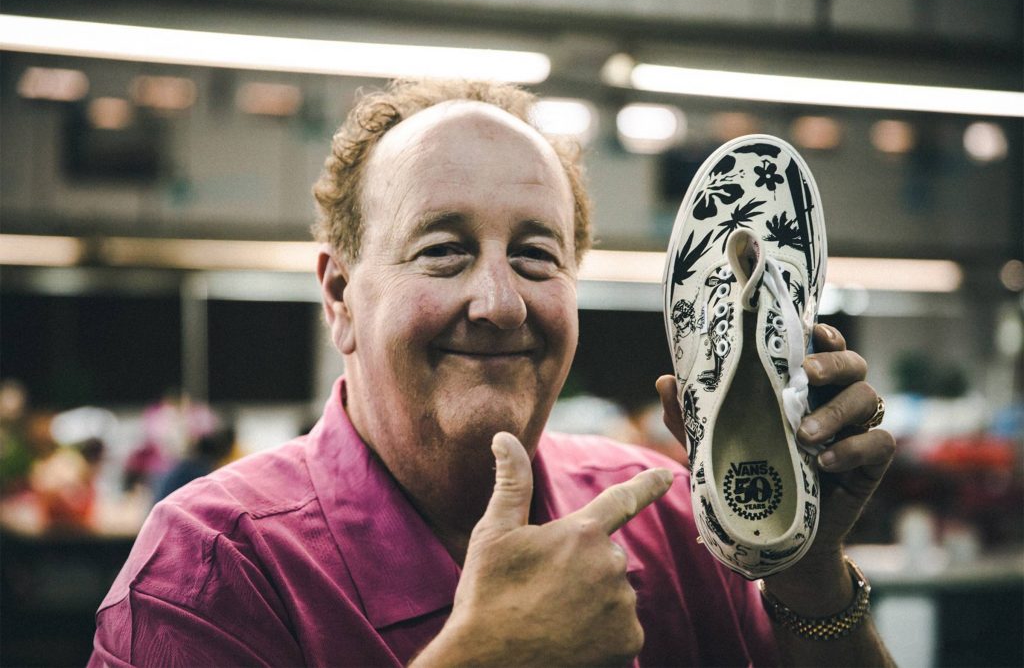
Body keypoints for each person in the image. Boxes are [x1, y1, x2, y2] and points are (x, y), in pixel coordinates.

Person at [90, 79, 896, 667]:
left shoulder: (675, 517)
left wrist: (810, 578)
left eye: (536, 255)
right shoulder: (208, 570)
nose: (501, 303)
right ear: (339, 295)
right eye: (443, 249)